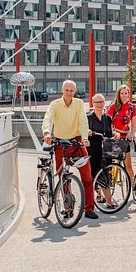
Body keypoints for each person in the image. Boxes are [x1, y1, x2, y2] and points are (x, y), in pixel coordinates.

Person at [41, 80, 98, 220]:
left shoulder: (78, 103)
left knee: (87, 175)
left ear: (75, 92)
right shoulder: (55, 104)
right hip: (60, 143)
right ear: (62, 90)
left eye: (71, 91)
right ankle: (68, 208)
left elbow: (83, 121)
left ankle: (89, 208)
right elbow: (48, 118)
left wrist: (85, 138)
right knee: (63, 177)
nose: (69, 93)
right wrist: (47, 132)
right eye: (67, 90)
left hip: (77, 142)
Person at [87, 94, 120, 210]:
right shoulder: (89, 117)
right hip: (93, 149)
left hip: (106, 149)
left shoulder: (108, 118)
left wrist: (116, 134)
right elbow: (84, 130)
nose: (99, 104)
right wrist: (88, 131)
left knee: (106, 175)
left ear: (104, 103)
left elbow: (111, 132)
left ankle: (109, 202)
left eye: (101, 102)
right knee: (91, 176)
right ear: (93, 103)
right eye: (96, 102)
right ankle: (90, 204)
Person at [107, 84, 136, 184]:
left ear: (129, 94)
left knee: (128, 165)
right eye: (122, 93)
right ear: (119, 95)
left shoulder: (132, 107)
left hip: (125, 138)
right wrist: (113, 132)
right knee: (110, 164)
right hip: (115, 138)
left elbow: (133, 123)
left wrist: (132, 135)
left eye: (126, 93)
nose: (124, 95)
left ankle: (133, 187)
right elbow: (107, 122)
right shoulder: (113, 106)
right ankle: (107, 185)